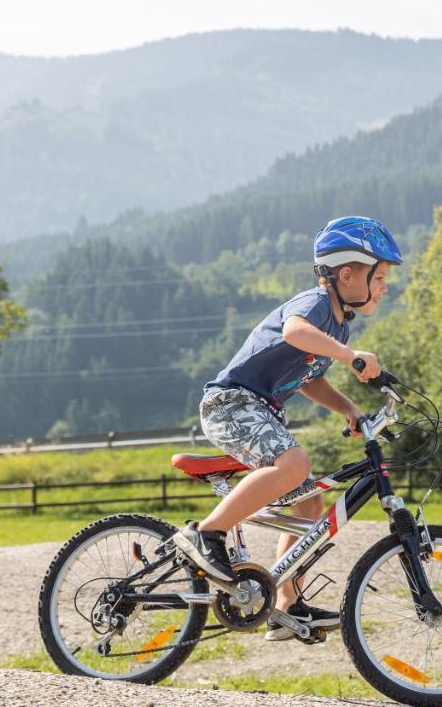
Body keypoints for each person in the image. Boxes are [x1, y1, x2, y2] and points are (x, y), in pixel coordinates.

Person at [169, 215, 401, 639]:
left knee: (309, 501)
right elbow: (295, 332)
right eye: (379, 276)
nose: (385, 286)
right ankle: (208, 534)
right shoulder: (313, 306)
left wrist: (348, 409)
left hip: (261, 411)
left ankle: (286, 606)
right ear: (346, 274)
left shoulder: (338, 324)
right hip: (230, 403)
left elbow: (310, 376)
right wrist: (350, 357)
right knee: (295, 464)